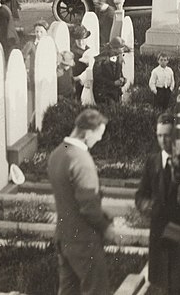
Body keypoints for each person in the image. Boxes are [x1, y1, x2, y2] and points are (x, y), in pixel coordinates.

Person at [48, 109, 116, 294]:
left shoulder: (56, 154)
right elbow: (89, 207)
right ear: (87, 133)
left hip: (64, 237)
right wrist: (105, 226)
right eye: (99, 135)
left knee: (68, 290)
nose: (99, 139)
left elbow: (68, 197)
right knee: (96, 290)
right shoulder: (81, 159)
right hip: (85, 240)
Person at [136, 114, 180, 294]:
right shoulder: (153, 161)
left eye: (167, 135)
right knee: (161, 285)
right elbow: (141, 194)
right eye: (159, 135)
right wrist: (149, 207)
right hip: (159, 237)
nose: (163, 140)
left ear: (175, 136)